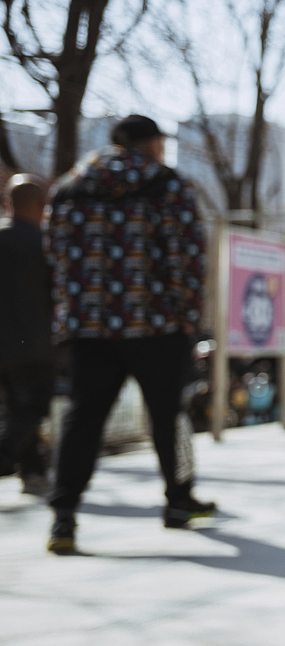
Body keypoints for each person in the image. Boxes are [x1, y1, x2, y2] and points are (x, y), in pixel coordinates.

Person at [43, 115, 214, 554]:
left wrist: (74, 307)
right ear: (153, 144)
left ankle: (64, 515)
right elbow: (188, 256)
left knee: (83, 418)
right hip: (155, 322)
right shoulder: (169, 186)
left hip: (90, 325)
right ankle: (178, 499)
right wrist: (188, 312)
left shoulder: (68, 188)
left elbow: (54, 254)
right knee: (168, 414)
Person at [0, 175, 55, 498]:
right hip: (35, 344)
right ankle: (8, 455)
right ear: (41, 206)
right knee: (32, 408)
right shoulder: (44, 244)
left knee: (16, 408)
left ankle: (33, 471)